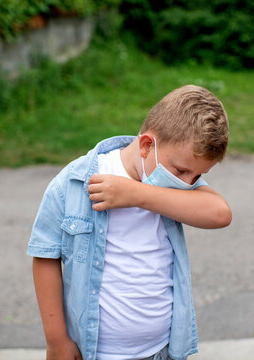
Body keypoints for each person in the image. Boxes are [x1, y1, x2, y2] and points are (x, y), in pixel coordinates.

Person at [28, 84, 231, 360]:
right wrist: (56, 340)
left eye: (196, 177)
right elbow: (45, 256)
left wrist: (135, 194)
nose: (187, 184)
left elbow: (220, 213)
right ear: (147, 145)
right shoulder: (75, 182)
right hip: (96, 353)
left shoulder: (168, 186)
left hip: (161, 351)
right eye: (182, 171)